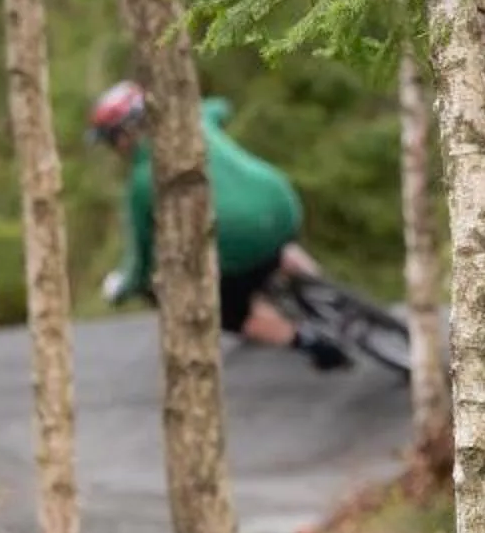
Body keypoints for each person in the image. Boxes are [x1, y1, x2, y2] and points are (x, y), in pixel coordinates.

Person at [87, 80, 351, 371]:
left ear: (125, 135)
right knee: (277, 249)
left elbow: (142, 257)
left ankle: (308, 340)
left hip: (242, 241)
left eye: (111, 139)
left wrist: (124, 288)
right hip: (282, 204)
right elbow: (221, 106)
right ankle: (334, 299)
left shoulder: (141, 182)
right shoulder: (195, 119)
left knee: (227, 309)